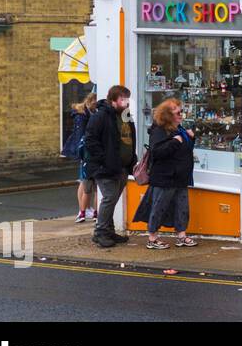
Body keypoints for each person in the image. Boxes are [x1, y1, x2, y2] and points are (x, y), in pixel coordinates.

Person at [133, 98, 197, 249]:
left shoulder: (179, 129)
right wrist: (175, 141)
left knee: (182, 207)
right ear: (168, 115)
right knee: (159, 207)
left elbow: (185, 150)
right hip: (165, 177)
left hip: (180, 176)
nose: (181, 114)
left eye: (182, 111)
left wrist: (191, 139)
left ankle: (181, 235)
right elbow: (157, 152)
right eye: (178, 112)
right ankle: (152, 238)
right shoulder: (159, 130)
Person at [83, 86, 135, 248]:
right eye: (122, 99)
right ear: (113, 100)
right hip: (105, 167)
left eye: (127, 98)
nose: (126, 102)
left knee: (112, 199)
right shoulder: (101, 116)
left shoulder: (126, 116)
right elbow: (90, 140)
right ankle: (100, 233)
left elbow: (129, 138)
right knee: (109, 198)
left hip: (123, 166)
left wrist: (132, 158)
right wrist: (104, 159)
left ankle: (109, 231)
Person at [63, 93, 98, 222]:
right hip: (85, 151)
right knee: (84, 180)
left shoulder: (89, 112)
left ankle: (86, 209)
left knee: (84, 181)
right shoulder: (82, 115)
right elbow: (81, 135)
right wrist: (83, 152)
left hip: (86, 151)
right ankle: (83, 210)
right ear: (91, 101)